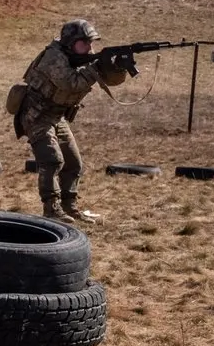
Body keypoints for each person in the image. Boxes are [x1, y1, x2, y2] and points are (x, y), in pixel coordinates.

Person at [14, 19, 128, 224]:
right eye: (85, 43)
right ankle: (51, 209)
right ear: (71, 42)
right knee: (52, 160)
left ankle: (70, 207)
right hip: (36, 115)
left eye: (91, 43)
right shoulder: (54, 56)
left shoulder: (79, 57)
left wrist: (118, 67)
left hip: (57, 116)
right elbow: (71, 83)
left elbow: (110, 80)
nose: (90, 48)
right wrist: (95, 68)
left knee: (74, 163)